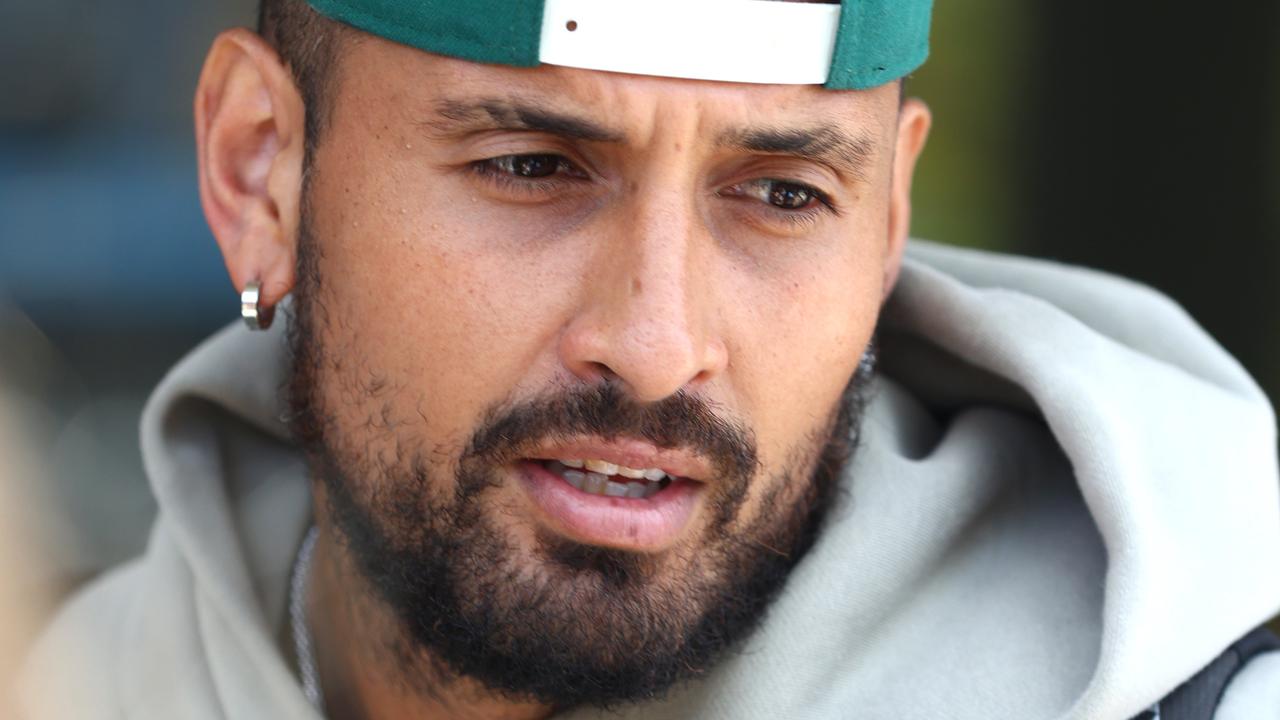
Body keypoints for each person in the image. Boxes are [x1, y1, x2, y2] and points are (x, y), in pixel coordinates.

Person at [15, 0, 1280, 718]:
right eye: (528, 167)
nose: (656, 347)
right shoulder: (73, 687)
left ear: (889, 223)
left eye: (781, 194)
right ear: (260, 169)